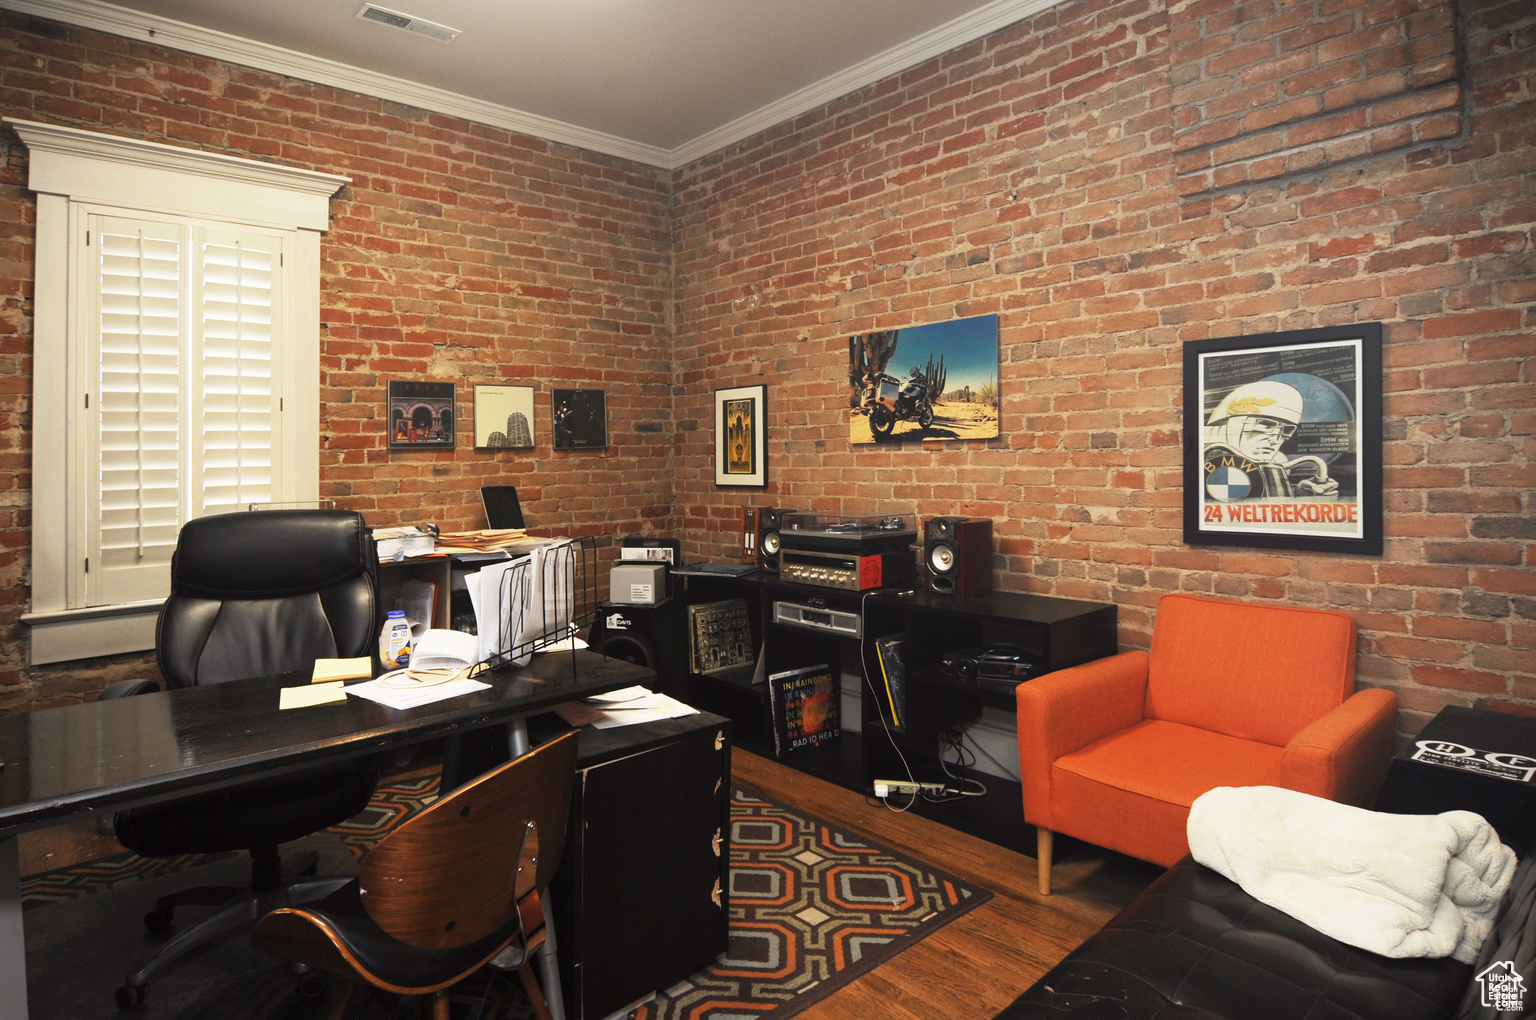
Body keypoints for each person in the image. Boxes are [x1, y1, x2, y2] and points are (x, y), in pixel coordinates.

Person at [1202, 380, 1339, 500]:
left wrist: (1297, 493)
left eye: (1286, 430)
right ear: (1233, 425)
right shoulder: (1205, 458)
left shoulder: (1277, 463)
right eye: (1266, 424)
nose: (1275, 440)